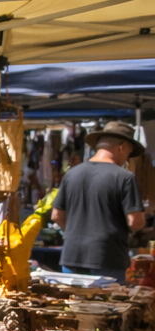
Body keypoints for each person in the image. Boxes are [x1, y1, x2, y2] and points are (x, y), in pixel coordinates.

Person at [53, 120, 146, 281]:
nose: (127, 158)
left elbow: (56, 215)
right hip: (107, 259)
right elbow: (134, 222)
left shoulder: (72, 174)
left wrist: (73, 234)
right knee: (108, 305)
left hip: (72, 256)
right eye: (128, 153)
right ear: (122, 146)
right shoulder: (125, 177)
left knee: (74, 305)